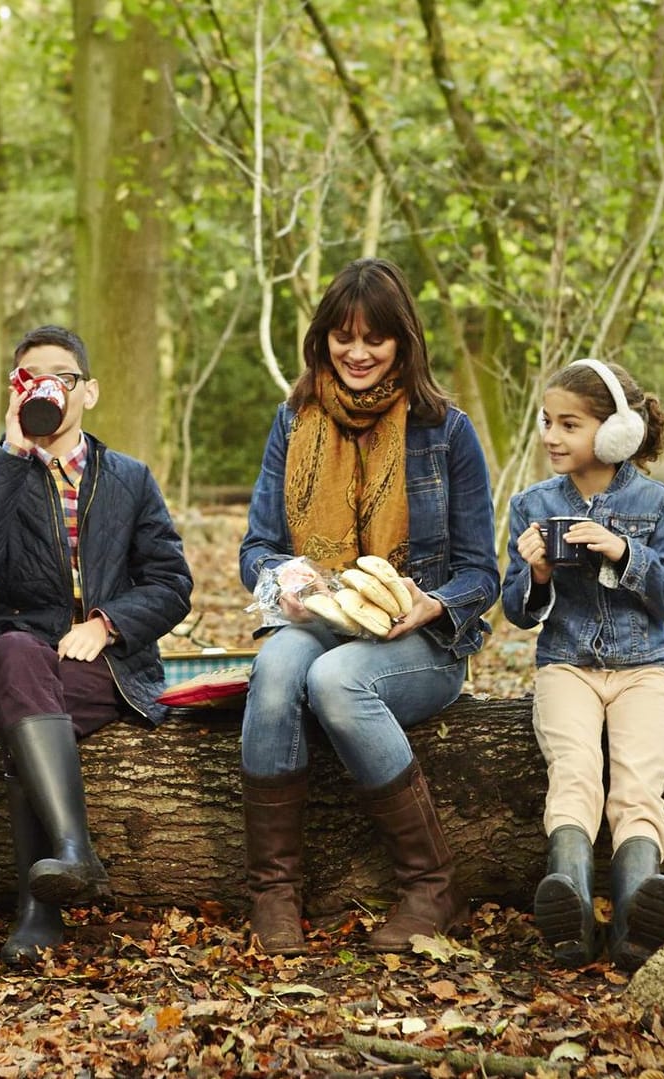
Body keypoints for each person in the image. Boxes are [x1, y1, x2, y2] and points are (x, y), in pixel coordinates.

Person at [239, 258, 500, 955]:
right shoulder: (293, 420)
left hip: (419, 643)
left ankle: (431, 884)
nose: (357, 352)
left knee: (335, 679)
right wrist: (285, 576)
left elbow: (483, 572)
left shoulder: (447, 431)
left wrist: (432, 603)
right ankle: (275, 892)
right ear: (322, 337)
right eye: (342, 336)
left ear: (403, 342)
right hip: (319, 620)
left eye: (374, 338)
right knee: (274, 672)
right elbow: (257, 546)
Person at [0, 325, 193, 965]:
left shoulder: (131, 480)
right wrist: (9, 452)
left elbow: (172, 583)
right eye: (30, 376)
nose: (48, 387)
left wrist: (106, 624)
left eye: (63, 376)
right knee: (16, 655)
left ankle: (40, 904)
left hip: (106, 668)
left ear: (89, 392)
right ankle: (73, 853)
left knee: (26, 712)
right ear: (16, 390)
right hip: (20, 655)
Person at [501, 357, 664, 972]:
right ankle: (573, 907)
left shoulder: (662, 506)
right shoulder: (531, 504)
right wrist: (535, 573)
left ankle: (638, 912)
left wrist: (624, 552)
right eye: (546, 422)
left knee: (639, 786)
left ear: (614, 433)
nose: (551, 437)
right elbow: (516, 612)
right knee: (576, 771)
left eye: (569, 425)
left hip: (644, 670)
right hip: (565, 665)